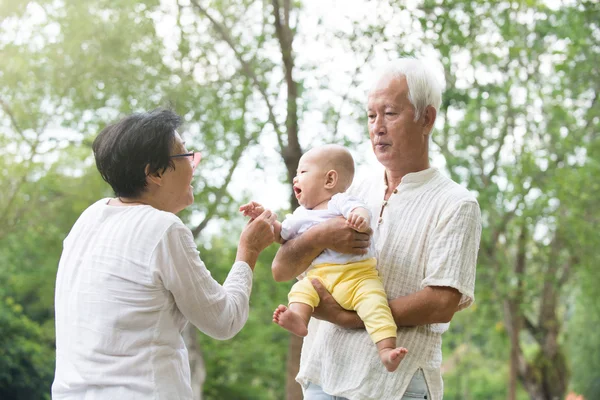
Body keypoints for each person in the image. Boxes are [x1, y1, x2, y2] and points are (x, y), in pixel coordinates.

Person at [271, 58, 482, 400]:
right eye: (371, 115)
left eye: (390, 113)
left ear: (426, 118)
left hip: (395, 385)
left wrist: (346, 317)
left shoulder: (455, 203)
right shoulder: (346, 193)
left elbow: (442, 302)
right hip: (323, 376)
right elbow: (281, 269)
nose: (377, 127)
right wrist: (322, 235)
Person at [52, 108, 276, 400]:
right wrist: (249, 251)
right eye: (186, 156)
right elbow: (224, 321)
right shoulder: (162, 228)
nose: (194, 164)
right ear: (155, 173)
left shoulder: (90, 217)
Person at [240, 144, 408, 372]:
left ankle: (386, 350)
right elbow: (281, 234)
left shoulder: (339, 202)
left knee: (376, 306)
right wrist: (263, 217)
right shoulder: (300, 215)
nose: (294, 178)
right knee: (301, 290)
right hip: (321, 278)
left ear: (329, 180)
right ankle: (300, 318)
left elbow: (360, 209)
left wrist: (359, 218)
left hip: (358, 277)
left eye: (303, 172)